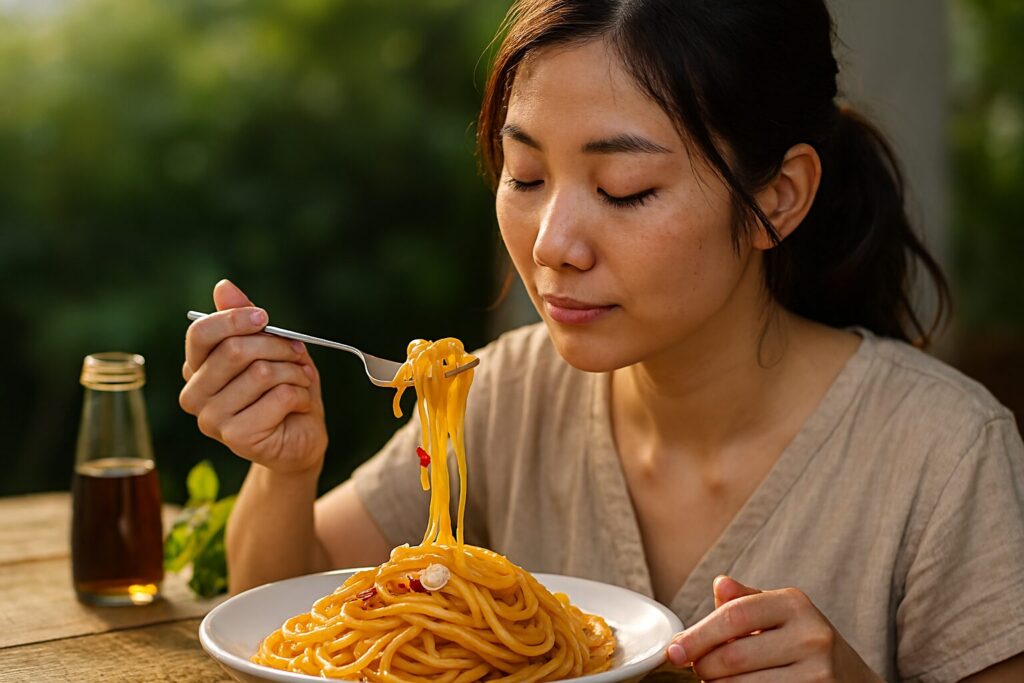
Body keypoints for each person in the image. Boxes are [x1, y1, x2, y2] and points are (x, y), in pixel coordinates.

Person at [178, 1, 1024, 680]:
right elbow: (289, 612)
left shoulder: (945, 454)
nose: (552, 243)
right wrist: (285, 468)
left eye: (624, 188)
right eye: (527, 176)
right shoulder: (507, 389)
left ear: (778, 197)